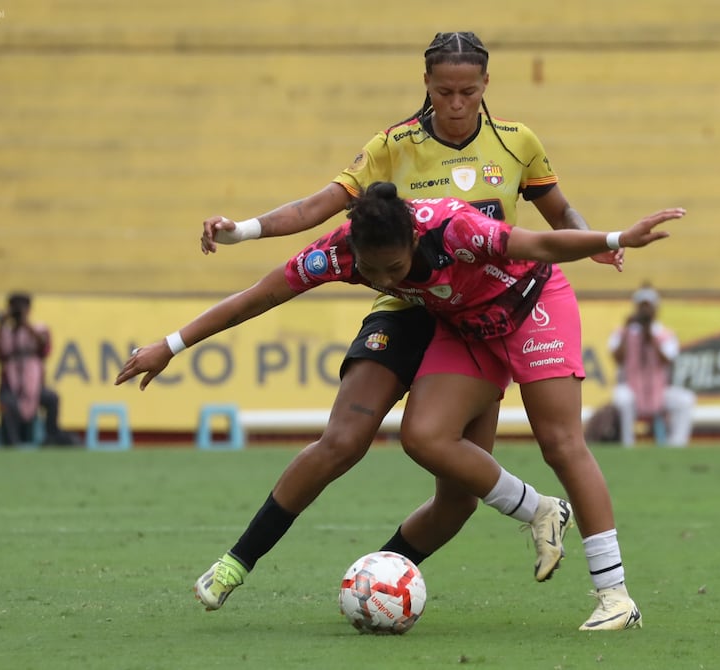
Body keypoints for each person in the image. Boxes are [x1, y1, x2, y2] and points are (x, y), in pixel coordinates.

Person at [189, 30, 634, 625]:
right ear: (425, 84)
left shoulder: (515, 144)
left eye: (468, 92)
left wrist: (600, 241)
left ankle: (603, 590)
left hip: (502, 302)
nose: (456, 103)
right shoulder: (391, 147)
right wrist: (241, 231)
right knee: (349, 438)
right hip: (412, 304)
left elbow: (553, 222)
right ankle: (238, 563)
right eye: (445, 90)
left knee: (481, 483)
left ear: (484, 88)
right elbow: (315, 210)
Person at [119, 183, 684, 629]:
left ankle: (615, 597)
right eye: (374, 272)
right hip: (466, 327)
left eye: (395, 268)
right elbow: (260, 296)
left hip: (531, 301)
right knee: (422, 437)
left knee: (560, 442)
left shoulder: (456, 229)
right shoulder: (339, 252)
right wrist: (170, 346)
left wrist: (614, 238)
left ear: (414, 242)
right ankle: (537, 509)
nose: (386, 279)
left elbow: (534, 245)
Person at [608, 283, 696, 447]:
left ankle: (677, 445)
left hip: (659, 391)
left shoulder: (664, 334)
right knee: (622, 398)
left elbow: (667, 360)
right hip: (632, 389)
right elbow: (617, 357)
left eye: (648, 307)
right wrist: (628, 331)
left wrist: (651, 337)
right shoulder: (624, 331)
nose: (645, 312)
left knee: (685, 400)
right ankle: (627, 445)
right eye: (642, 307)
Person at [0, 292, 77, 446]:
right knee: (6, 402)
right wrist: (2, 324)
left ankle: (51, 436)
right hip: (11, 385)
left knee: (52, 398)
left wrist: (25, 324)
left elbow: (45, 347)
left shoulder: (37, 328)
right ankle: (12, 443)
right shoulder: (6, 332)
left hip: (34, 385)